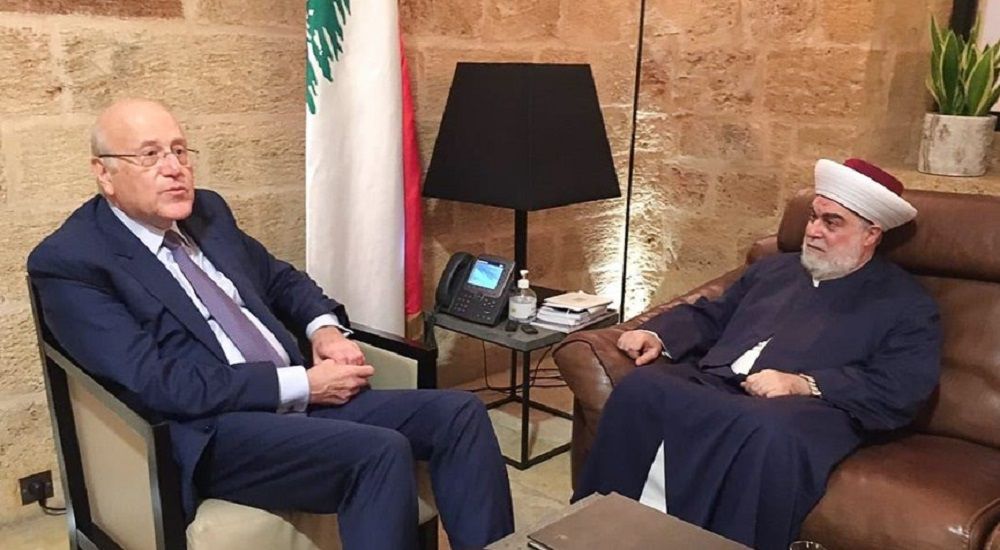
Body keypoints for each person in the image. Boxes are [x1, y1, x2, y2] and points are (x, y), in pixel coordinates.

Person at [27, 98, 514, 550]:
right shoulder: (72, 261)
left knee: (460, 413)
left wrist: (323, 330)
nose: (174, 168)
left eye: (179, 150)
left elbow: (281, 280)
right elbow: (157, 383)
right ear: (105, 173)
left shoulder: (207, 213)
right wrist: (303, 383)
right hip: (214, 430)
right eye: (150, 155)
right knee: (378, 451)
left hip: (302, 399)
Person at [573, 159, 941, 550]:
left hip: (808, 409)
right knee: (642, 388)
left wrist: (804, 383)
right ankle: (597, 534)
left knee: (764, 432)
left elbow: (900, 386)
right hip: (719, 381)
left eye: (832, 223)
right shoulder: (776, 269)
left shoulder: (904, 303)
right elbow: (715, 314)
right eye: (813, 217)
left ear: (871, 235)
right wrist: (657, 334)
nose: (813, 230)